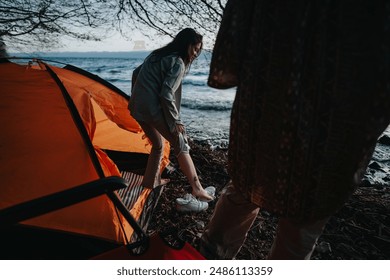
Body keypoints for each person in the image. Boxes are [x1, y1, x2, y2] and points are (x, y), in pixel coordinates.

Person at [200, 0, 390, 259]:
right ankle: (208, 258)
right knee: (305, 212)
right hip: (340, 113)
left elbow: (233, 42)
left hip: (269, 98)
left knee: (246, 187)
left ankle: (208, 257)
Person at [128, 28, 214, 208]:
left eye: (199, 50)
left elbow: (136, 73)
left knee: (158, 144)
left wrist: (136, 96)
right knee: (180, 143)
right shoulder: (177, 63)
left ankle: (151, 181)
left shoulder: (157, 55)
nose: (195, 53)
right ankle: (197, 188)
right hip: (152, 110)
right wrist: (176, 121)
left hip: (137, 107)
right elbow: (166, 94)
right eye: (194, 48)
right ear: (186, 45)